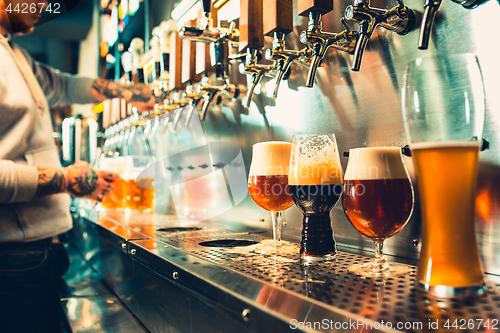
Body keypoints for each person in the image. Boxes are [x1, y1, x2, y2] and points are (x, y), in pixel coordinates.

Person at [0, 0, 156, 332]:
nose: (46, 7)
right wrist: (66, 180)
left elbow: (60, 85)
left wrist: (123, 90)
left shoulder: (10, 51)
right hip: (13, 260)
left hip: (37, 254)